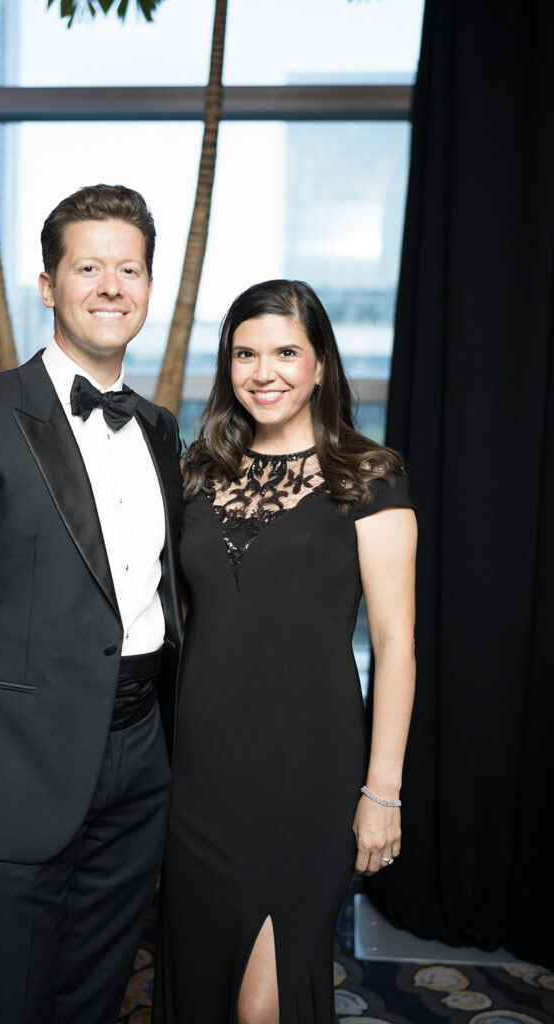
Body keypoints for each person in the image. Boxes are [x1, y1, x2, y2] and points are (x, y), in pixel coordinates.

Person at [0, 184, 184, 1024]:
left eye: (128, 268)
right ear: (49, 284)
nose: (110, 285)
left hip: (140, 761)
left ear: (148, 286)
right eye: (87, 266)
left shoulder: (161, 429)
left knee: (94, 997)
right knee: (4, 1004)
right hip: (13, 774)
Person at [152, 279, 417, 1024]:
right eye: (245, 353)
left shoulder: (369, 477)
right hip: (198, 775)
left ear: (321, 365)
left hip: (309, 775)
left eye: (285, 352)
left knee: (263, 1004)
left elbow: (397, 645)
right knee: (197, 981)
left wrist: (382, 791)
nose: (262, 372)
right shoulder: (196, 476)